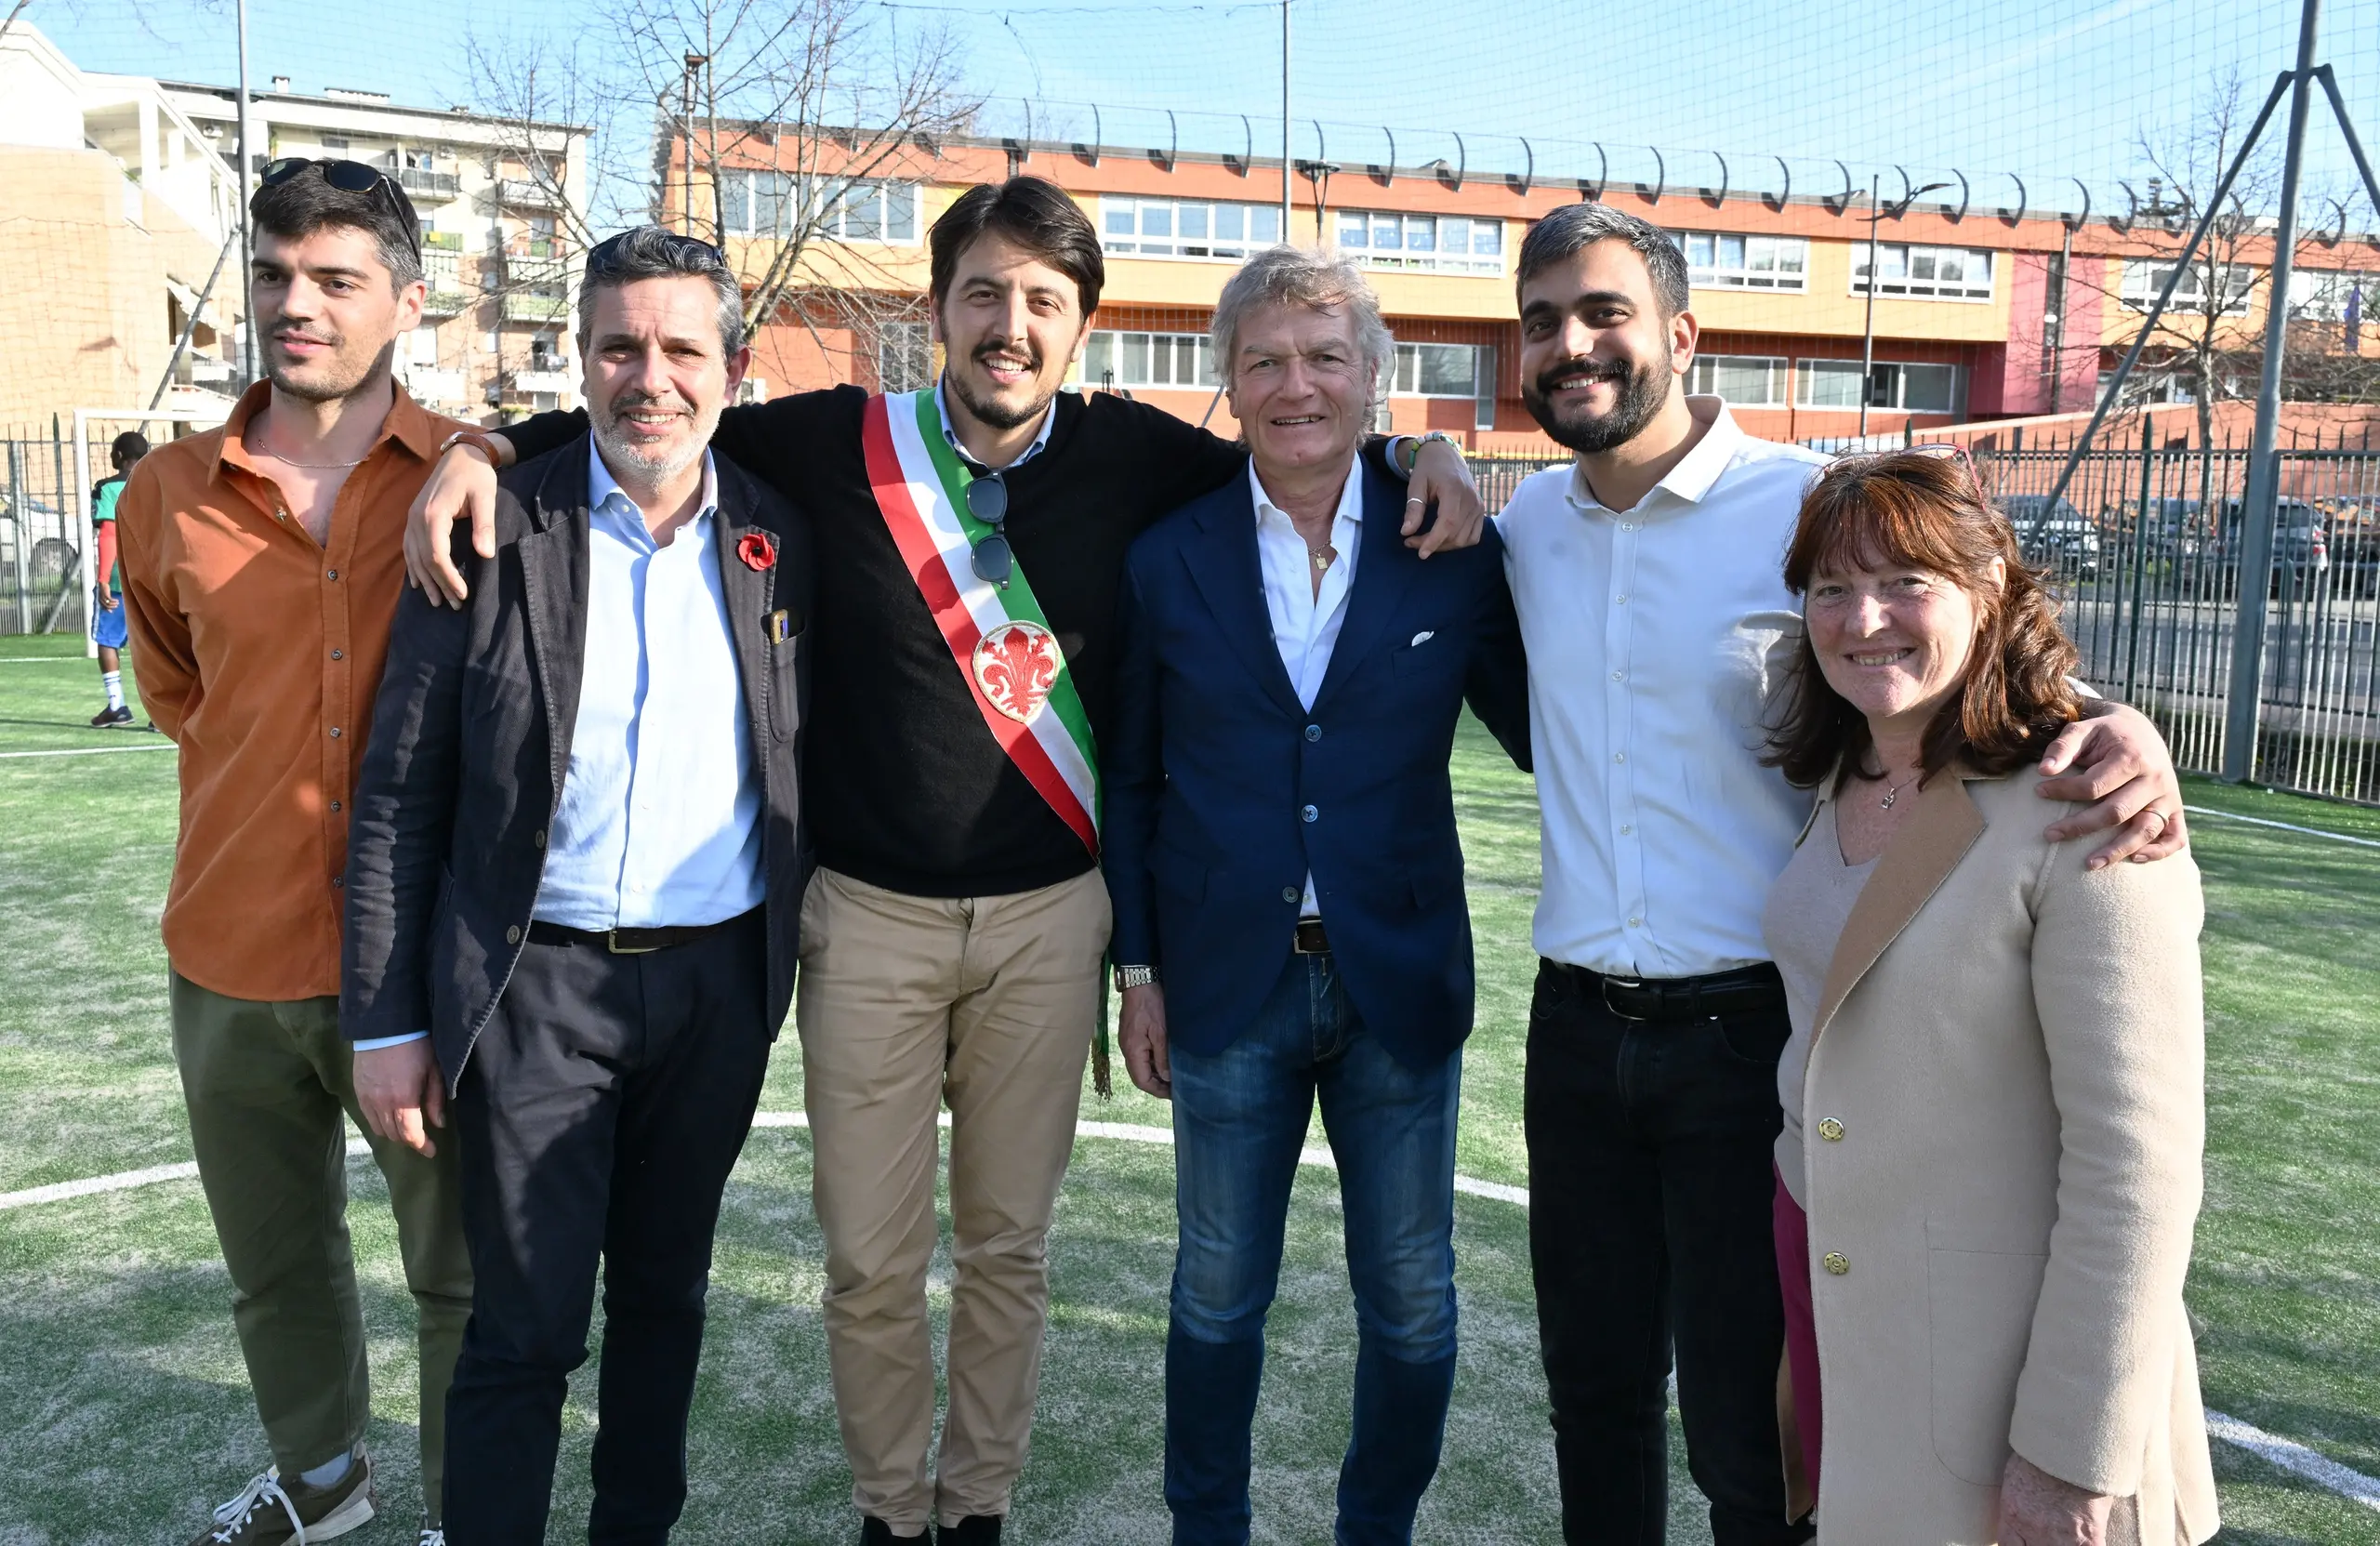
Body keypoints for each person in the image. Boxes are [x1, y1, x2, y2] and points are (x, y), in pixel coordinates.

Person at [398, 176, 1488, 1545]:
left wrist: (1422, 451)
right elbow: (643, 420)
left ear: (1084, 325)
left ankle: (971, 1508)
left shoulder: (1143, 456)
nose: (1010, 326)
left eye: (1043, 300)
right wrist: (481, 448)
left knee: (1009, 1255)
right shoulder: (831, 441)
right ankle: (887, 1513)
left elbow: (1308, 446)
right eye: (984, 293)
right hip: (866, 921)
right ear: (937, 310)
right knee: (867, 1260)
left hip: (1049, 923)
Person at [1489, 203, 2189, 1546]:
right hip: (1572, 1025)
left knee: (1760, 1438)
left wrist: (2119, 723)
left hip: (1757, 1031)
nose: (1569, 345)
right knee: (1594, 1394)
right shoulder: (1521, 521)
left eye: (1603, 314)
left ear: (1682, 334)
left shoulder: (1799, 506)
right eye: (1542, 323)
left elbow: (1942, 624)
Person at [341, 226, 812, 1545]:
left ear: (731, 366)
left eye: (679, 347)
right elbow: (396, 794)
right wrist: (384, 1022)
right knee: (529, 1324)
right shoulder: (495, 523)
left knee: (667, 1302)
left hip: (720, 987)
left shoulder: (783, 529)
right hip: (537, 989)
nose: (647, 377)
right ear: (582, 360)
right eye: (617, 346)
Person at [1103, 248, 1528, 1546]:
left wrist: (1441, 450)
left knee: (1412, 1297)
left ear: (1372, 377)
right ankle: (1207, 1525)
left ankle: (1375, 1525)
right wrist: (1138, 967)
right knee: (1218, 1293)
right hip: (1226, 983)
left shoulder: (1448, 543)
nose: (1298, 385)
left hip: (1397, 977)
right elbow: (1130, 776)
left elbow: (1545, 720)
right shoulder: (1165, 556)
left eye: (1326, 356)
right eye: (1266, 360)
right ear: (1227, 383)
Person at [1761, 449, 2215, 1545]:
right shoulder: (1839, 769)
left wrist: (2071, 1457)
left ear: (1989, 588)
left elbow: (2137, 1166)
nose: (1863, 618)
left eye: (1906, 581)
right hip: (1844, 1327)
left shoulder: (2088, 803)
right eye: (1831, 588)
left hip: (1997, 1372)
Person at [116, 158, 472, 1546]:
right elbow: (177, 693)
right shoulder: (167, 493)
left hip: (423, 964)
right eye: (272, 275)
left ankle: (462, 1506)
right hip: (232, 950)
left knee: (459, 1274)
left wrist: (490, 447)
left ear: (407, 299)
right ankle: (325, 1480)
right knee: (275, 1265)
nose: (296, 304)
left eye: (334, 278)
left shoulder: (467, 472)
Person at [88, 429, 151, 727]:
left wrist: (102, 579)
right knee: (157, 644)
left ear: (120, 456)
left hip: (120, 578)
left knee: (107, 641)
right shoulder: (159, 484)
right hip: (156, 577)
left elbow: (110, 534)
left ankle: (117, 706)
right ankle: (163, 714)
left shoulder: (108, 488)